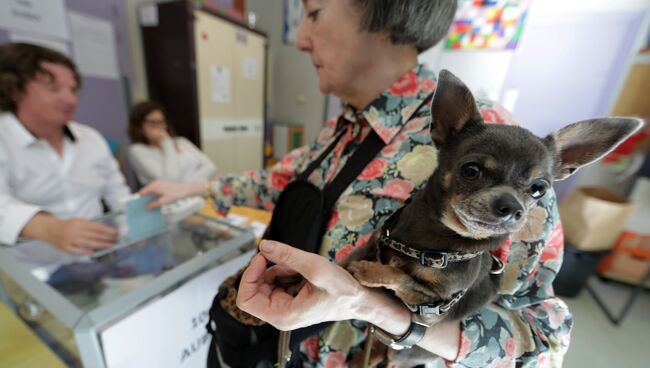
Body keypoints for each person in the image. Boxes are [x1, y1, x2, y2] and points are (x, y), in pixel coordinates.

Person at [141, 0, 572, 366]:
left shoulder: (489, 143)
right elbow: (281, 177)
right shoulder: (344, 127)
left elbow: (542, 336)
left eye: (314, 13)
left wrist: (381, 310)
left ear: (381, 16)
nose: (300, 39)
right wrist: (192, 189)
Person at [0, 43, 130, 258]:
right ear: (14, 90)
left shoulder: (91, 138)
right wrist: (49, 228)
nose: (71, 99)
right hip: (33, 270)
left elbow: (118, 193)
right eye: (54, 89)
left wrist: (131, 239)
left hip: (98, 258)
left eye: (72, 89)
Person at [127, 101, 217, 185]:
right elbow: (169, 181)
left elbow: (210, 166)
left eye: (161, 122)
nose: (158, 127)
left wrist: (186, 189)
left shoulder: (181, 141)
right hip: (168, 201)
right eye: (152, 122)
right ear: (139, 126)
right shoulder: (137, 150)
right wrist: (167, 142)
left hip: (197, 196)